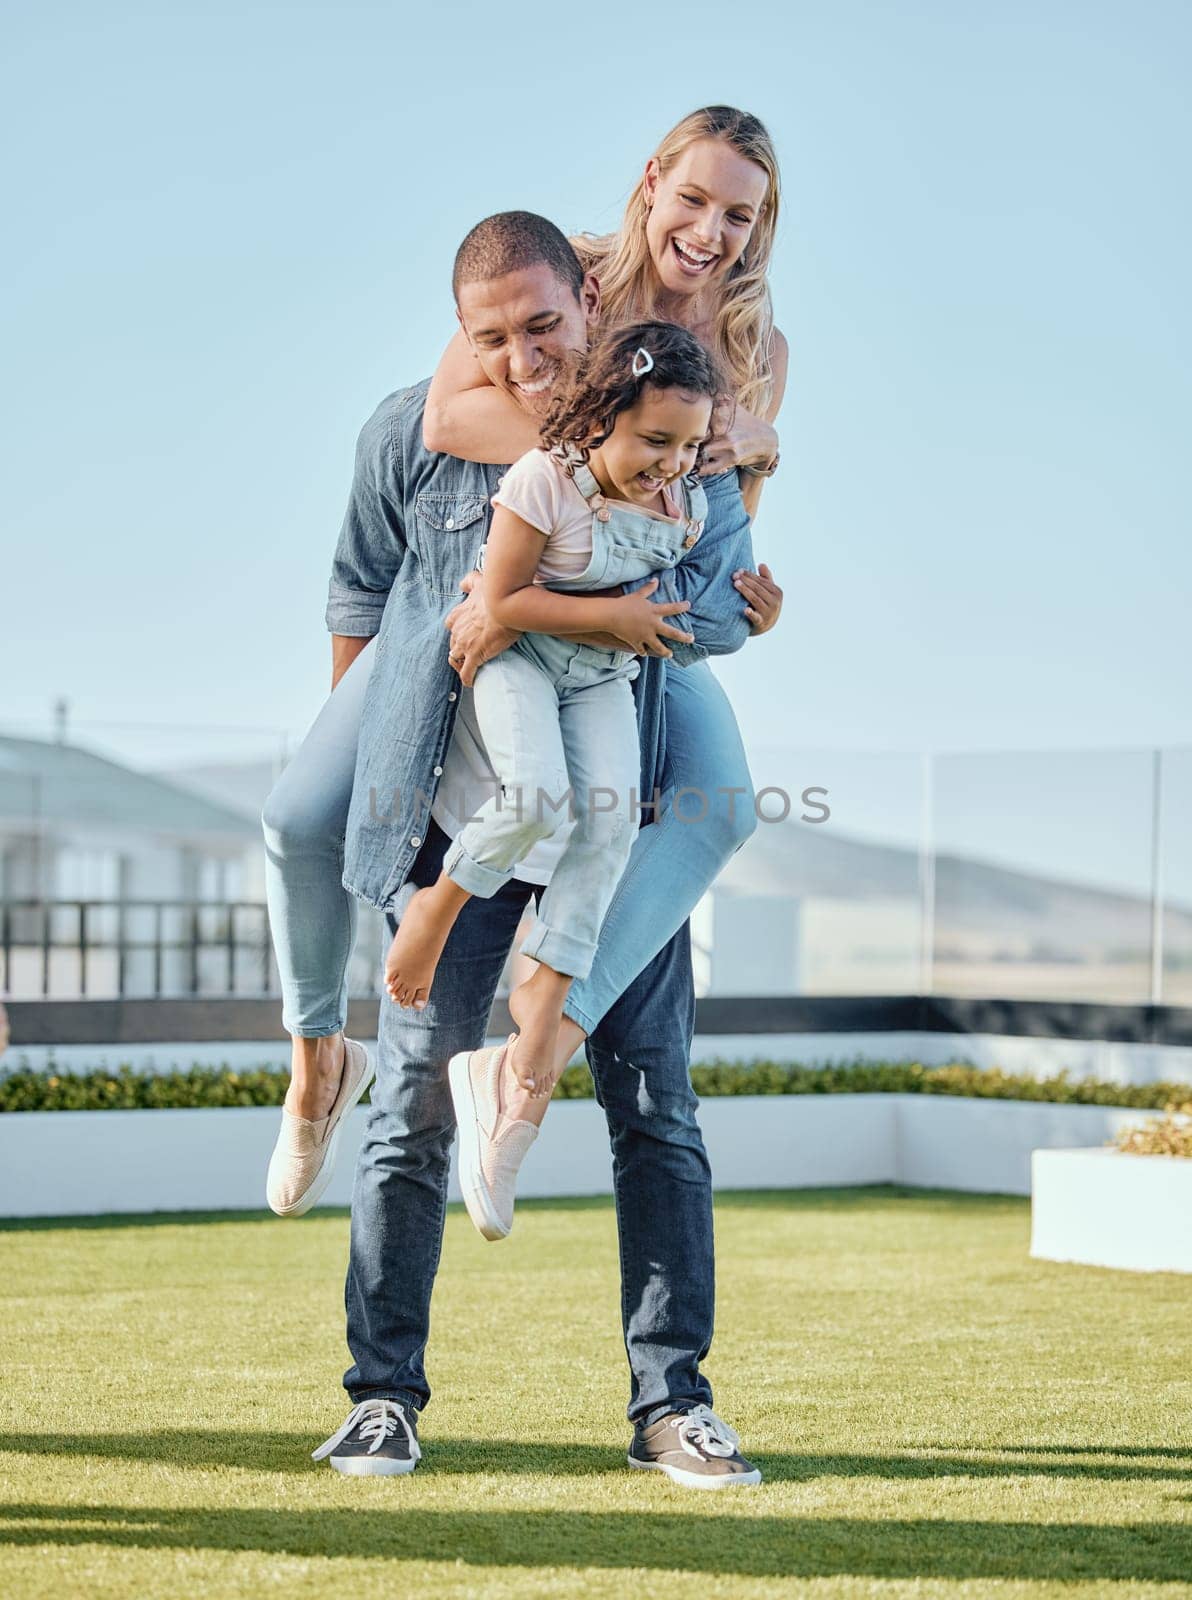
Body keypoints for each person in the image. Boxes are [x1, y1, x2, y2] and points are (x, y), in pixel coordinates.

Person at [266, 210, 767, 1485]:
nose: (523, 356)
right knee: (408, 1113)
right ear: (461, 335)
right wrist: (381, 777)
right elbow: (358, 602)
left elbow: (706, 610)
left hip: (619, 805)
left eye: (546, 326)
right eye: (494, 336)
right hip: (460, 820)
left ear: (589, 311)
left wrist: (746, 593)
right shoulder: (413, 431)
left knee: (655, 1112)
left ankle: (673, 1403)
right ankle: (382, 1396)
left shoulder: (671, 440)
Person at [383, 321, 723, 1235]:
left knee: (608, 825)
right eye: (655, 440)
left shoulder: (680, 500)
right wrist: (613, 614)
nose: (671, 463)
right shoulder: (543, 480)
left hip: (599, 679)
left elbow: (701, 591)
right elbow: (498, 602)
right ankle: (436, 909)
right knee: (537, 801)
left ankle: (538, 1012)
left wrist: (753, 595)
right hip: (521, 663)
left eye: (689, 445)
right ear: (605, 417)